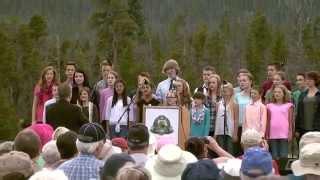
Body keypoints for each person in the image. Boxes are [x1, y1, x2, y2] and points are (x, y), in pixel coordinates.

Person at [266, 85, 293, 159]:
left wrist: (290, 132)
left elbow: (290, 120)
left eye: (279, 92)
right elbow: (267, 121)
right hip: (272, 134)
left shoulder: (289, 105)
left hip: (284, 134)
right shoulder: (269, 106)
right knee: (274, 156)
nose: (277, 94)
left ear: (284, 94)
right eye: (275, 92)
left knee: (283, 155)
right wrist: (267, 133)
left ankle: (283, 170)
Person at [215, 82, 237, 154]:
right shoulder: (218, 104)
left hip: (230, 131)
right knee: (221, 149)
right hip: (220, 131)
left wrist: (235, 133)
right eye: (222, 91)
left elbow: (236, 120)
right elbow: (217, 119)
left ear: (230, 92)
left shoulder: (234, 104)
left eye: (225, 91)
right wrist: (215, 133)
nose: (223, 93)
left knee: (230, 149)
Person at [296, 71, 320, 137]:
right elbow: (299, 112)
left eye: (310, 79)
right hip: (303, 129)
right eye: (307, 79)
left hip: (317, 129)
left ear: (315, 80)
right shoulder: (302, 95)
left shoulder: (319, 94)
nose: (308, 81)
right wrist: (297, 129)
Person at [234, 73, 252, 156]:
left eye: (244, 80)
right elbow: (235, 115)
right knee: (239, 152)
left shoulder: (255, 95)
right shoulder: (237, 96)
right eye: (240, 81)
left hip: (252, 128)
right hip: (240, 127)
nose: (242, 83)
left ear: (250, 82)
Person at [174, 79, 192, 148]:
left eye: (179, 86)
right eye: (175, 86)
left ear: (184, 87)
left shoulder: (190, 100)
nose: (177, 88)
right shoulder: (171, 98)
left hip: (186, 126)